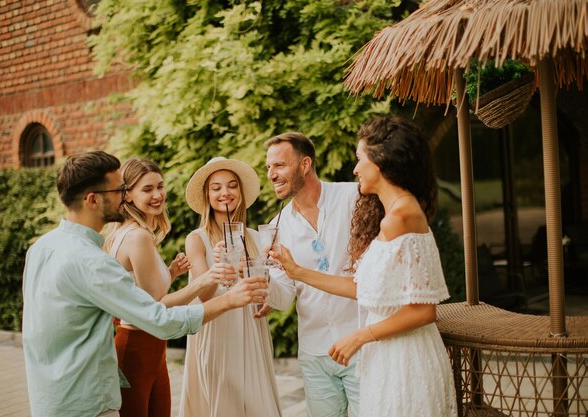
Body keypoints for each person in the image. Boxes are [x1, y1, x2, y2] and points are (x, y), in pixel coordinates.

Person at [22, 151, 267, 417]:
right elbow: (158, 317)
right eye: (119, 189)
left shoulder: (41, 248)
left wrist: (171, 276)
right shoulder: (93, 260)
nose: (124, 196)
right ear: (92, 200)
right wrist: (228, 298)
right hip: (86, 400)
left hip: (49, 397)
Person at [272, 116, 458, 416]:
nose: (356, 168)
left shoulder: (401, 216)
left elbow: (424, 310)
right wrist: (296, 273)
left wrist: (360, 335)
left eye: (360, 159)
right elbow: (363, 289)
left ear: (381, 161)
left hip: (404, 358)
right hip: (384, 356)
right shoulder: (392, 214)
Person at [103, 158, 223, 417]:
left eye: (160, 186)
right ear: (128, 195)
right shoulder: (138, 237)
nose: (157, 195)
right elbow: (152, 307)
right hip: (136, 348)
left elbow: (140, 291)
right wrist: (203, 280)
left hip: (152, 346)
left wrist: (170, 272)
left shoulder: (130, 232)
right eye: (147, 189)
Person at [261, 133, 361, 417]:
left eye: (279, 166)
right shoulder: (275, 228)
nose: (271, 175)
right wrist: (261, 280)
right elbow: (282, 297)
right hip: (316, 354)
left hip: (362, 343)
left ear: (305, 164)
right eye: (268, 168)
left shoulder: (353, 197)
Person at [178, 156, 282, 417]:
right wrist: (220, 265)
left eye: (232, 185)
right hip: (217, 334)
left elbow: (266, 287)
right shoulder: (196, 240)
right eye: (216, 187)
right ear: (207, 196)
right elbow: (203, 296)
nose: (225, 192)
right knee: (223, 405)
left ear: (241, 192)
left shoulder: (257, 238)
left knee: (258, 406)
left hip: (252, 330)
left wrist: (268, 294)